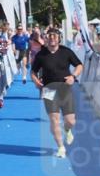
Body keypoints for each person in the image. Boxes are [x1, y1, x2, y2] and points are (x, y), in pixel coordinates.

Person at [31, 28, 84, 158]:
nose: (52, 38)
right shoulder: (41, 55)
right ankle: (61, 147)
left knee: (71, 121)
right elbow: (33, 72)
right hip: (48, 89)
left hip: (64, 88)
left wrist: (73, 76)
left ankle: (67, 130)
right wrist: (36, 82)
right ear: (47, 38)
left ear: (59, 38)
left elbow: (79, 65)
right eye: (50, 36)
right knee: (54, 120)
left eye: (55, 36)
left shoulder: (66, 52)